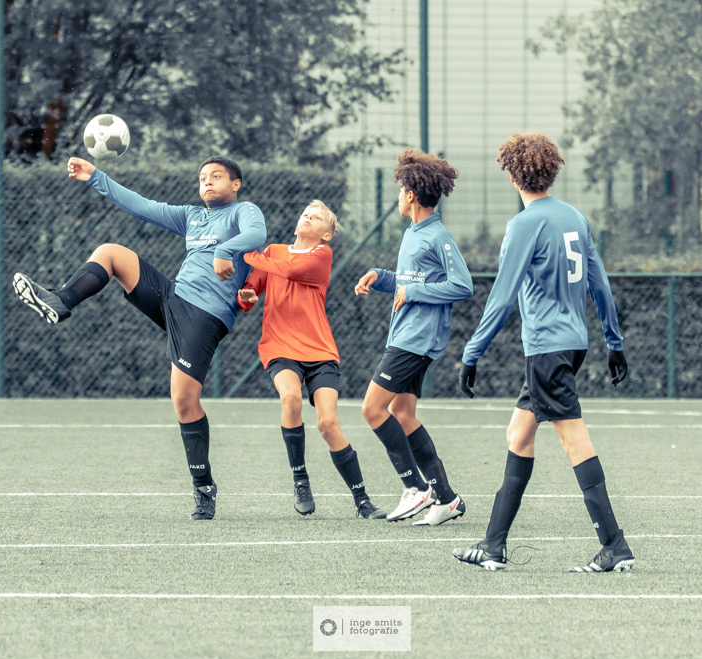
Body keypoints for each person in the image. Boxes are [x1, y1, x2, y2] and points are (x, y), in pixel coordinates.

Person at [12, 156, 266, 521]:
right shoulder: (192, 216)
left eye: (216, 176)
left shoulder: (244, 211)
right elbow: (141, 206)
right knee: (111, 253)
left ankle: (203, 487)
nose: (207, 182)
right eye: (202, 178)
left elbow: (257, 236)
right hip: (173, 297)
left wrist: (225, 251)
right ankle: (61, 301)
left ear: (236, 184)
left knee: (183, 401)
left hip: (205, 314)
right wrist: (94, 176)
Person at [452, 132, 632, 572]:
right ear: (551, 172)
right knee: (519, 435)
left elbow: (502, 297)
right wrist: (614, 342)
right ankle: (493, 545)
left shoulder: (523, 224)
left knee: (574, 439)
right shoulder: (575, 217)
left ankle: (614, 545)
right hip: (572, 344)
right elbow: (600, 285)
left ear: (513, 176)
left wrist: (472, 353)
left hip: (547, 349)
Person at [237, 201, 387, 520]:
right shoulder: (274, 252)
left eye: (317, 217)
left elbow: (291, 271)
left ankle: (362, 500)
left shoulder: (321, 255)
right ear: (297, 222)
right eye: (305, 214)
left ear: (326, 234)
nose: (308, 217)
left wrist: (248, 255)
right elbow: (250, 292)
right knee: (290, 398)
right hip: (279, 346)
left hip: (320, 351)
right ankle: (301, 481)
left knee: (327, 423)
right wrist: (246, 295)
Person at [354, 148, 473, 525]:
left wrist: (413, 291)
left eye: (400, 189)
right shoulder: (414, 233)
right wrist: (381, 277)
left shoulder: (438, 236)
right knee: (402, 414)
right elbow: (410, 281)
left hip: (417, 340)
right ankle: (447, 500)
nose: (398, 195)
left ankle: (415, 488)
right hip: (406, 336)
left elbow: (462, 285)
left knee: (373, 409)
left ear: (410, 195)